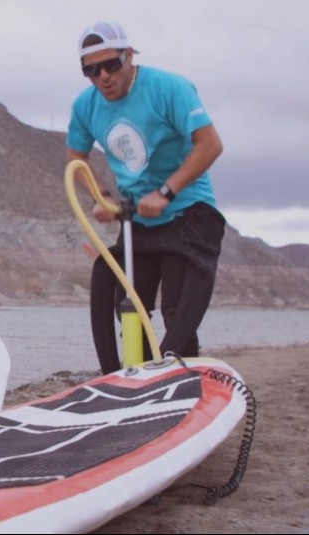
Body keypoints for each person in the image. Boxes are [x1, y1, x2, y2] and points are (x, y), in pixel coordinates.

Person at [65, 21, 226, 374]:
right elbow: (77, 158)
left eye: (111, 65)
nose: (103, 76)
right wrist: (103, 197)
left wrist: (167, 191)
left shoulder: (169, 88)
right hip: (137, 218)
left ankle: (177, 372)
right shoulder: (86, 105)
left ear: (130, 56)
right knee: (117, 290)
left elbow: (210, 144)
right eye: (91, 70)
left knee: (176, 309)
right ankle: (120, 376)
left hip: (188, 212)